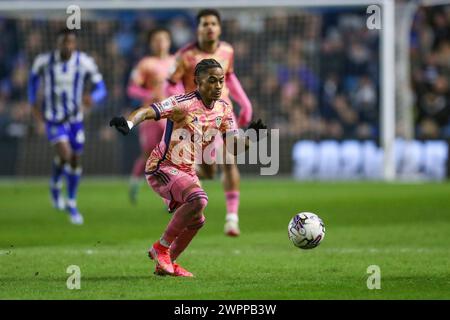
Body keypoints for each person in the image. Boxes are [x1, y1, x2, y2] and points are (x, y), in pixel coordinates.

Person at [110, 59, 266, 277]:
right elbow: (147, 111)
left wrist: (251, 139)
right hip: (162, 167)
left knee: (198, 219)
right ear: (197, 82)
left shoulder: (224, 108)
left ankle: (166, 264)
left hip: (187, 171)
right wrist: (128, 123)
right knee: (199, 199)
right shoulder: (182, 103)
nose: (218, 85)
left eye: (221, 81)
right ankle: (160, 248)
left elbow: (234, 147)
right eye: (212, 80)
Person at [166, 9, 253, 237]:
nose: (209, 27)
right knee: (208, 171)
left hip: (223, 112)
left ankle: (232, 220)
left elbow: (230, 77)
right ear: (198, 29)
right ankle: (188, 184)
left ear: (219, 27)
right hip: (197, 118)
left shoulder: (227, 51)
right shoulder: (185, 55)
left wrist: (245, 103)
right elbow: (171, 83)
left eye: (213, 23)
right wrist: (180, 107)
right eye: (205, 24)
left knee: (229, 160)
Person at [28, 29, 107, 225]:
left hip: (75, 119)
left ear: (75, 44)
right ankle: (71, 204)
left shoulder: (84, 62)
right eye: (63, 42)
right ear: (58, 44)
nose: (67, 46)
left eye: (70, 42)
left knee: (73, 159)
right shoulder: (44, 61)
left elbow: (101, 88)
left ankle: (56, 185)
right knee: (68, 155)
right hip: (53, 119)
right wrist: (33, 105)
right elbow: (32, 82)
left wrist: (93, 98)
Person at [127, 27, 175, 204]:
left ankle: (169, 197)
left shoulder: (176, 62)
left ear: (169, 41)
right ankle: (135, 181)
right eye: (156, 40)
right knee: (148, 153)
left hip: (170, 114)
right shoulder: (145, 63)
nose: (160, 43)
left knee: (169, 153)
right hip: (151, 115)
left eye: (163, 39)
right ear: (151, 43)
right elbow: (131, 88)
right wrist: (147, 95)